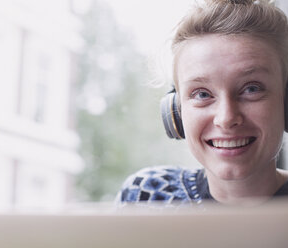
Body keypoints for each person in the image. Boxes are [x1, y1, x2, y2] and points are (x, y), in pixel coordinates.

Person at [117, 0, 288, 206]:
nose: (226, 118)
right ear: (177, 112)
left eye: (251, 89)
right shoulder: (146, 195)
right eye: (202, 94)